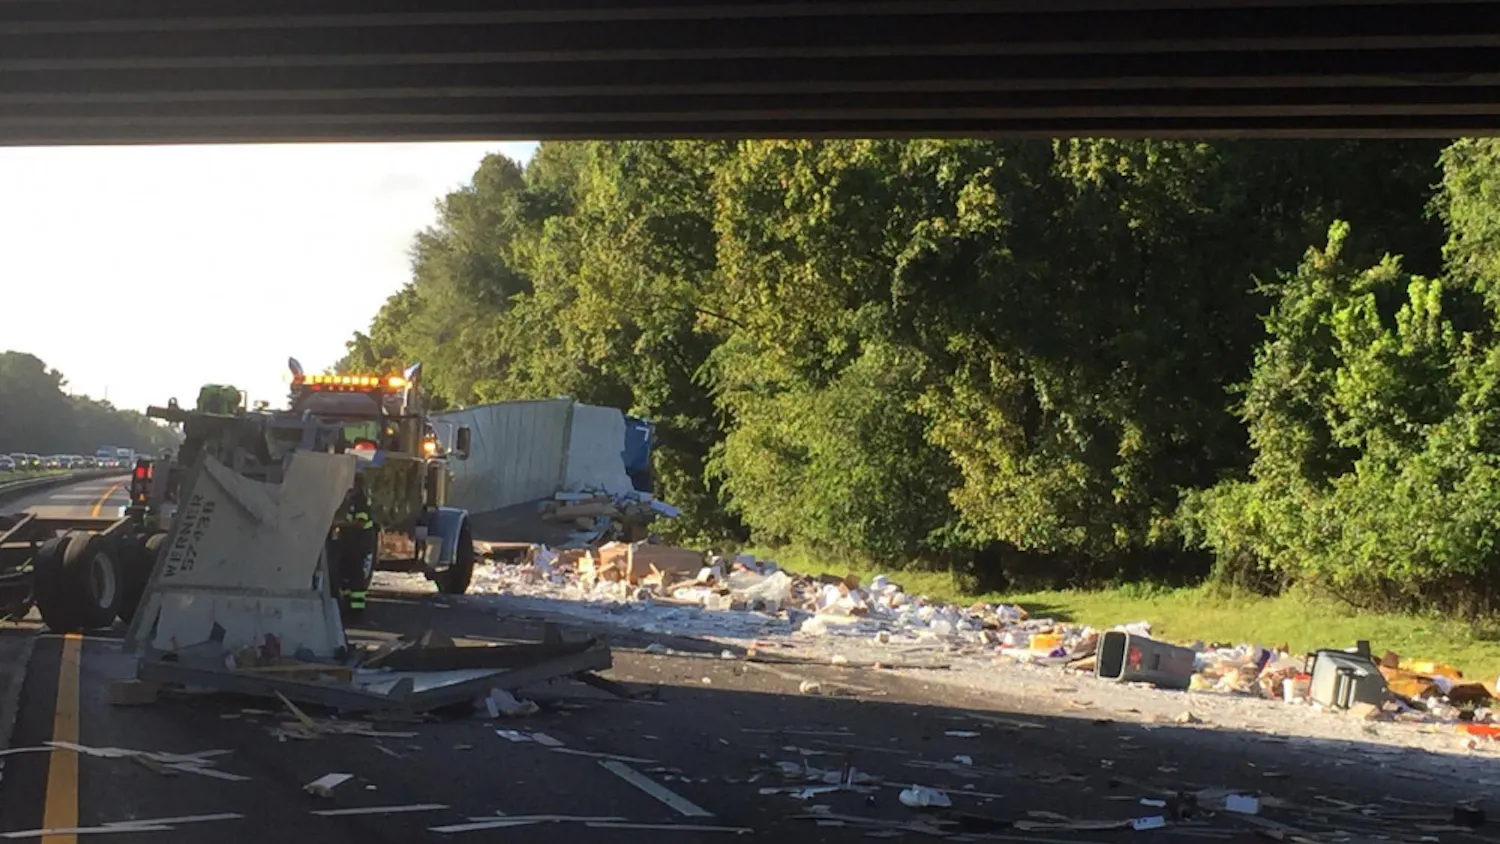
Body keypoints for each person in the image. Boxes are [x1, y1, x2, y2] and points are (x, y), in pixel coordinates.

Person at [334, 474, 375, 616]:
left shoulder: (360, 502)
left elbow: (360, 523)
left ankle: (356, 610)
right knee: (345, 577)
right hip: (349, 546)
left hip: (359, 546)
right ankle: (346, 605)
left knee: (356, 578)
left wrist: (340, 524)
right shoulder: (350, 502)